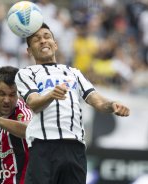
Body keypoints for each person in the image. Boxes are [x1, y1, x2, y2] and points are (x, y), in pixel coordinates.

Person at [14, 23, 130, 184]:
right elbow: (33, 103)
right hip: (43, 147)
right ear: (29, 50)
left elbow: (95, 99)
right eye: (36, 39)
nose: (43, 41)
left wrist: (112, 105)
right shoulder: (25, 73)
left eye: (47, 36)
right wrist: (50, 95)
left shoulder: (73, 72)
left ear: (55, 44)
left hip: (74, 147)